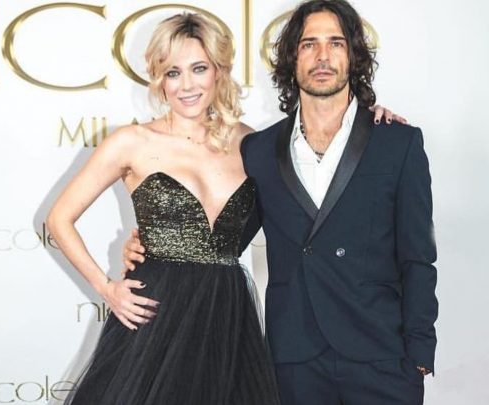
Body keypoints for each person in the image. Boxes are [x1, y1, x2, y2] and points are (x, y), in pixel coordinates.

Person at [50, 10, 400, 405]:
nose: (187, 85)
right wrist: (107, 288)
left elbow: (319, 174)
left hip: (226, 319)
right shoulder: (131, 142)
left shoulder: (254, 145)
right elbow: (59, 218)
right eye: (173, 72)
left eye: (199, 68)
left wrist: (368, 120)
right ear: (159, 79)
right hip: (154, 316)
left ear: (219, 71)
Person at [124, 1, 437, 404]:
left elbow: (418, 257)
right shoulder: (259, 149)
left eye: (336, 43)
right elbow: (225, 238)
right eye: (309, 44)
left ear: (353, 55)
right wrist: (159, 242)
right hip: (295, 362)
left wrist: (419, 354)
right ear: (292, 57)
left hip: (380, 357)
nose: (322, 56)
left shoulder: (396, 142)